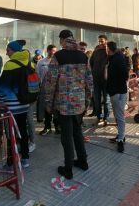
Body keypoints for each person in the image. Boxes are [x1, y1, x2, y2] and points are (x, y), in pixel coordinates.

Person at [42, 29, 93, 180]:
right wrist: (87, 100)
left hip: (63, 104)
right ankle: (83, 161)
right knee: (77, 132)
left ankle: (68, 168)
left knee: (66, 136)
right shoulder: (83, 56)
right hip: (79, 104)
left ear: (62, 40)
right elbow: (89, 81)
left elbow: (50, 82)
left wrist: (48, 103)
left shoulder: (58, 56)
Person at [0, 40, 32, 171]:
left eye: (8, 50)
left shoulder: (10, 65)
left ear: (14, 51)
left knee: (11, 134)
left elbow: (2, 88)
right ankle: (25, 159)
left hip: (12, 107)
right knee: (23, 132)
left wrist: (0, 103)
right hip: (24, 104)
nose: (6, 52)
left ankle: (10, 164)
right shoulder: (28, 63)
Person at [105, 41, 129, 153]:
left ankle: (120, 140)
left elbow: (123, 75)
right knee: (117, 115)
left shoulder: (116, 59)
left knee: (119, 116)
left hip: (117, 91)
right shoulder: (118, 57)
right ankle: (120, 135)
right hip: (118, 90)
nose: (106, 50)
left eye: (106, 48)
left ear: (109, 49)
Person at [37, 45, 60, 135]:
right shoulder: (41, 62)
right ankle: (47, 127)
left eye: (55, 51)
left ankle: (57, 127)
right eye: (52, 51)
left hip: (56, 88)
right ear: (48, 51)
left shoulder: (59, 62)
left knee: (56, 108)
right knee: (47, 107)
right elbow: (38, 74)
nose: (53, 53)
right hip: (45, 87)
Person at [89, 35, 110, 124]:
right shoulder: (96, 51)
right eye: (99, 41)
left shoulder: (109, 52)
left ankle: (106, 117)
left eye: (102, 41)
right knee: (97, 100)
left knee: (106, 100)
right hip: (96, 79)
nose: (100, 43)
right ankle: (99, 117)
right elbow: (91, 63)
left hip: (106, 80)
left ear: (106, 41)